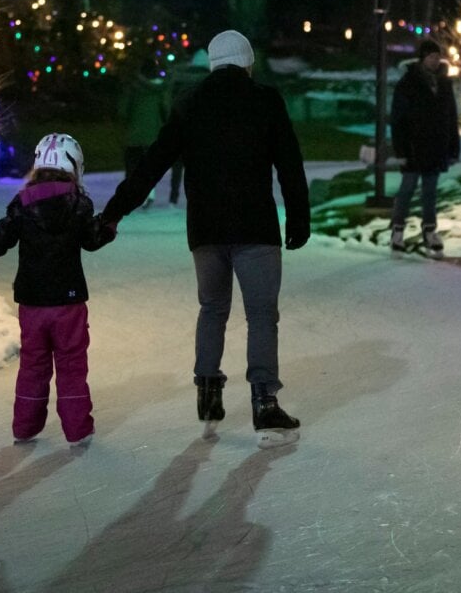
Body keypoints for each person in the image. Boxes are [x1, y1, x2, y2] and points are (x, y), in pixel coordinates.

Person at [101, 29, 310, 449]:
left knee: (212, 308)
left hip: (207, 230)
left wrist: (112, 214)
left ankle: (209, 393)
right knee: (261, 315)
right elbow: (289, 162)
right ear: (247, 63)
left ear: (213, 64)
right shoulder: (266, 100)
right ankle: (264, 402)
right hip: (255, 228)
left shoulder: (190, 104)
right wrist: (299, 219)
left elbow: (152, 164)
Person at [0, 133, 116, 446]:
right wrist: (108, 227)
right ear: (75, 166)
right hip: (68, 303)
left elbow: (0, 241)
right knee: (71, 365)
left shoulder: (23, 203)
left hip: (32, 303)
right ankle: (78, 429)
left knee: (33, 365)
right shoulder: (79, 204)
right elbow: (91, 241)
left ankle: (25, 428)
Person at [389, 39, 460, 258]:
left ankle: (430, 232)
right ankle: (397, 232)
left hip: (435, 147)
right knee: (407, 189)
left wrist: (452, 149)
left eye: (437, 56)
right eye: (431, 56)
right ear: (422, 59)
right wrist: (401, 151)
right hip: (413, 147)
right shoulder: (408, 83)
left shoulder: (444, 83)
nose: (435, 60)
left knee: (430, 193)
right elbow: (398, 120)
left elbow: (451, 117)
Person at [118, 58, 170, 208]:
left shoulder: (133, 89)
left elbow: (123, 111)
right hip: (153, 135)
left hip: (133, 136)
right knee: (150, 167)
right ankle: (149, 196)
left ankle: (130, 197)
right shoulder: (161, 89)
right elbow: (166, 111)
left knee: (132, 168)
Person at [166, 48, 211, 205]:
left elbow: (171, 101)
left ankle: (173, 197)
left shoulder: (179, 78)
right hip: (200, 131)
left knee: (177, 167)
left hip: (180, 127)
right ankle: (198, 198)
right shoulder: (209, 80)